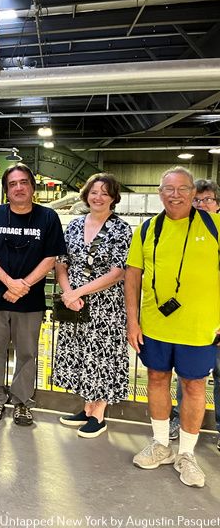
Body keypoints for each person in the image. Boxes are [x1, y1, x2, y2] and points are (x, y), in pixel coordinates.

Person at [126, 167, 220, 488]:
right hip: (154, 327)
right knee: (156, 379)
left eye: (182, 189)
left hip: (199, 328)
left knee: (194, 387)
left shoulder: (215, 226)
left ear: (194, 193)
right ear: (160, 192)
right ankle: (161, 444)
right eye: (169, 189)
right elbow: (133, 275)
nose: (175, 195)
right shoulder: (148, 229)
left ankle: (187, 454)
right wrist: (133, 320)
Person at [0, 163, 66, 426]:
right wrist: (8, 282)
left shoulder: (48, 218)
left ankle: (22, 403)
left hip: (30, 302)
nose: (18, 188)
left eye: (23, 182)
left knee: (27, 354)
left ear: (32, 187)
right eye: (13, 184)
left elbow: (51, 257)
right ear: (6, 190)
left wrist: (23, 285)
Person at [52, 173, 132, 438]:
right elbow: (61, 262)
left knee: (102, 357)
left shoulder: (120, 229)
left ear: (113, 198)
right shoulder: (74, 225)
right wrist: (68, 293)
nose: (98, 197)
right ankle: (86, 408)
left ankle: (99, 413)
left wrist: (77, 292)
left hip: (105, 306)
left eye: (105, 193)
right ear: (86, 194)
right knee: (82, 354)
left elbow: (117, 272)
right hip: (75, 303)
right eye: (94, 192)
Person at [169, 179, 220, 448]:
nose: (201, 205)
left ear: (218, 204)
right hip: (191, 325)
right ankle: (180, 421)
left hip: (215, 324)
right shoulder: (183, 233)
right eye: (197, 200)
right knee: (187, 378)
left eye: (207, 200)